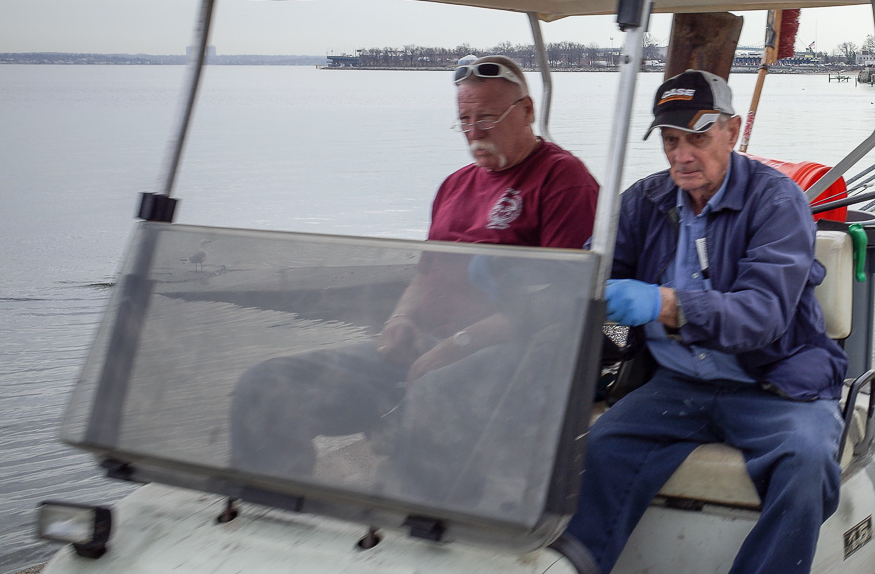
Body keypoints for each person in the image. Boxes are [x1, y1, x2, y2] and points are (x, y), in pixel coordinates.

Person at [566, 70, 844, 574]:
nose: (682, 155)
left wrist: (668, 304)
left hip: (771, 382)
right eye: (669, 139)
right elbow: (594, 266)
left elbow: (762, 317)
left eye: (698, 136)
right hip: (677, 387)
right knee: (605, 445)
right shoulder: (645, 200)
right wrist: (562, 274)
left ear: (733, 130)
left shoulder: (777, 201)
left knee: (807, 462)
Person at [229, 55, 599, 495]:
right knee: (266, 385)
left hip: (511, 358)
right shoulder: (454, 185)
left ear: (527, 111)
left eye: (487, 118)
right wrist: (399, 321)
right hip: (425, 347)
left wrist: (456, 346)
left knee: (435, 398)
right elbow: (425, 276)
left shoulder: (563, 180)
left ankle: (423, 530)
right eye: (463, 119)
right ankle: (272, 514)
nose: (474, 132)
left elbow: (553, 306)